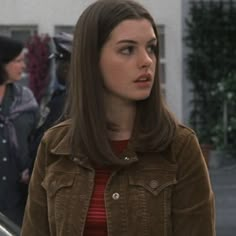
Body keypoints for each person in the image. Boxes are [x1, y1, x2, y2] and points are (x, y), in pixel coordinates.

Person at [21, 0, 216, 235]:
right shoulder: (55, 146)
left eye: (151, 47)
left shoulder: (178, 146)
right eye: (127, 49)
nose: (147, 61)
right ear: (91, 60)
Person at [0, 35, 38, 226]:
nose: (23, 66)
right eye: (18, 61)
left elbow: (37, 141)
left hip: (17, 205)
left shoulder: (26, 100)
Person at [29, 32, 72, 173]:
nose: (56, 68)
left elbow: (42, 143)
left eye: (58, 63)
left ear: (66, 68)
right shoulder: (71, 99)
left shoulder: (62, 103)